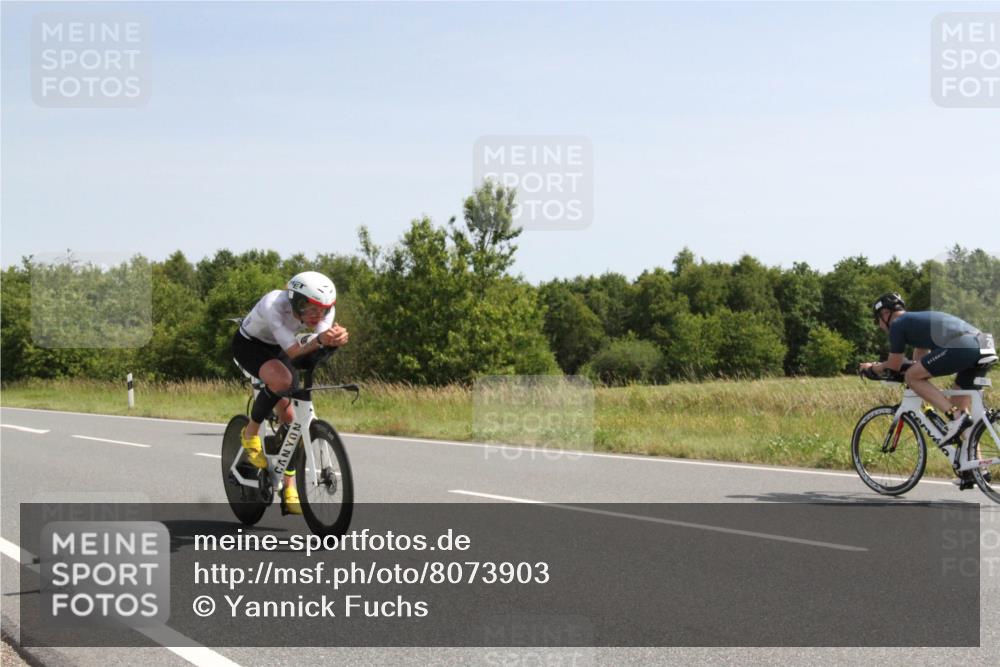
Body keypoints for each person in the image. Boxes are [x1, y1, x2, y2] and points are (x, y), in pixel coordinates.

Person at [231, 271, 349, 513]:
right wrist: (322, 340)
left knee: (291, 418)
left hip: (280, 345)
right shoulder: (273, 304)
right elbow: (297, 350)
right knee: (282, 381)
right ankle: (250, 433)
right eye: (311, 308)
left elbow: (315, 344)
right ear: (295, 301)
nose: (318, 315)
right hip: (250, 345)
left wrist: (334, 341)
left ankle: (289, 487)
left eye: (324, 310)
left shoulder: (325, 311)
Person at [860, 293, 992, 487]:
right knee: (960, 408)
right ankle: (977, 469)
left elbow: (895, 365)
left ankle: (955, 416)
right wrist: (911, 371)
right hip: (984, 344)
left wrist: (872, 367)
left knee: (913, 378)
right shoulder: (915, 324)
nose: (879, 325)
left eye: (878, 319)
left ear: (886, 313)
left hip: (965, 345)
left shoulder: (898, 324)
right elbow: (920, 363)